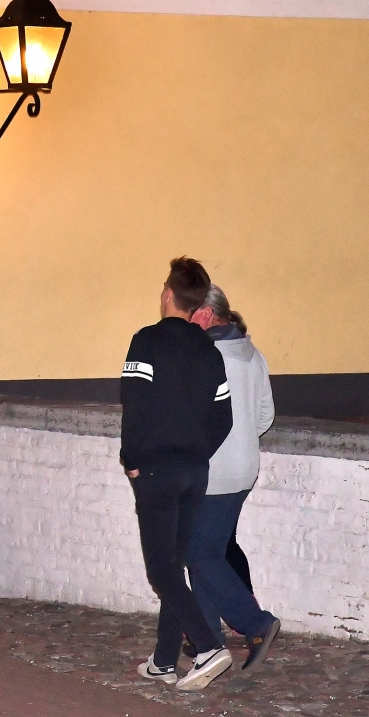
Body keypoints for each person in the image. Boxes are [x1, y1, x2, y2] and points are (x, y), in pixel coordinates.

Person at [121, 257, 234, 691]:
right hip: (194, 471)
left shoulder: (146, 341)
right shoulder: (209, 351)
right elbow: (223, 417)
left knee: (161, 569)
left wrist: (132, 459)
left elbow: (135, 404)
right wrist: (197, 454)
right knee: (175, 564)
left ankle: (207, 646)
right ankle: (164, 660)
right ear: (197, 304)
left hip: (156, 470)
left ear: (168, 294)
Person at [186, 285, 281, 670]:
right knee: (208, 550)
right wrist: (242, 439)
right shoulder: (252, 354)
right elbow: (265, 416)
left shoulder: (203, 357)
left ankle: (256, 623)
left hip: (213, 470)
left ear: (207, 314)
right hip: (243, 468)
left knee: (198, 552)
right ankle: (206, 638)